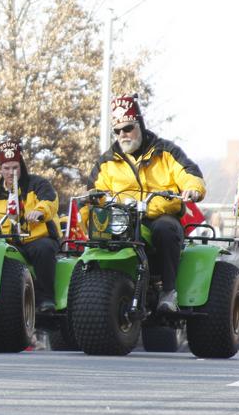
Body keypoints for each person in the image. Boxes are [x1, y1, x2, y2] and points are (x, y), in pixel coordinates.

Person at [88, 95, 206, 312]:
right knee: (99, 240)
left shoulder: (166, 152)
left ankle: (169, 291)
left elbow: (189, 173)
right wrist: (92, 206)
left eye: (128, 128)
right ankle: (100, 289)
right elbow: (93, 194)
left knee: (166, 229)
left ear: (139, 125)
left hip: (159, 214)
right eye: (117, 131)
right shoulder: (106, 162)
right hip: (122, 220)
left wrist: (192, 189)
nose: (123, 135)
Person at [0, 139, 60, 311]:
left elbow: (50, 201)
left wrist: (39, 211)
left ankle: (46, 298)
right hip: (8, 242)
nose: (10, 172)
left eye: (15, 167)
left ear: (21, 166)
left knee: (43, 249)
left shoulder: (37, 184)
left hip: (36, 238)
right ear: (0, 169)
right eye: (6, 168)